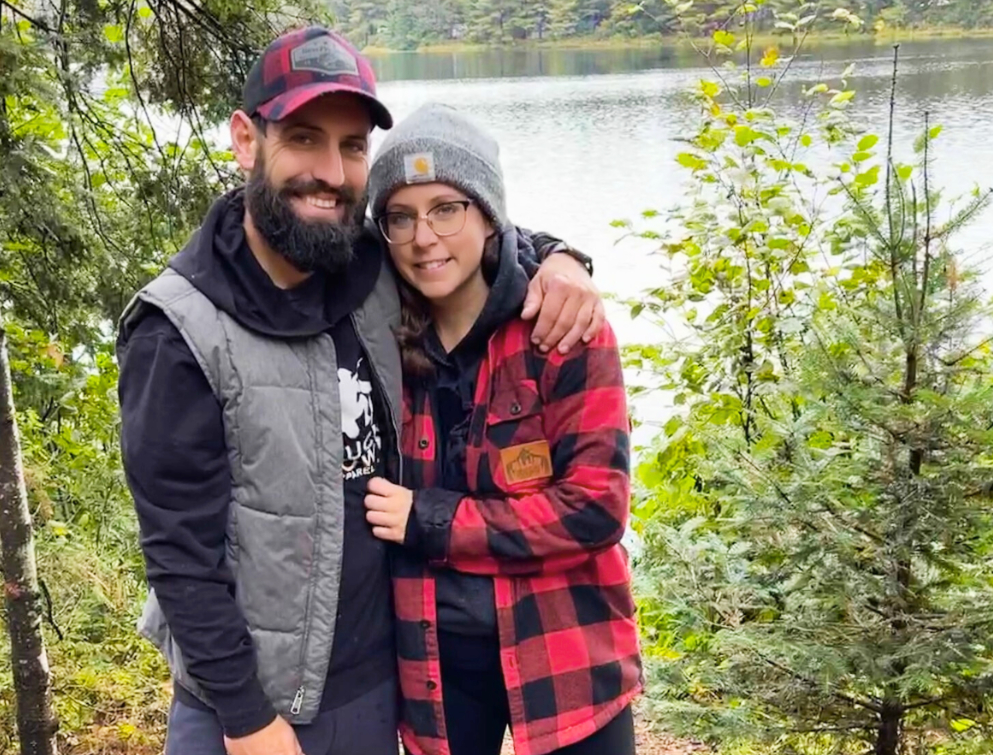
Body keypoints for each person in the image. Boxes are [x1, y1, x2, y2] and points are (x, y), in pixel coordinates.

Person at [115, 26, 606, 755]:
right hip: (247, 711)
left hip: (377, 688)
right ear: (247, 141)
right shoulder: (178, 330)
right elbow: (179, 554)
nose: (331, 172)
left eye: (350, 147)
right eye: (305, 139)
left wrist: (559, 259)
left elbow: (464, 237)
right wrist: (247, 718)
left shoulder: (368, 271)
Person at [361, 102, 641, 755]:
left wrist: (430, 520)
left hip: (566, 655)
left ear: (487, 214)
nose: (424, 237)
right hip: (435, 665)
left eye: (446, 208)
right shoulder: (372, 335)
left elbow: (595, 509)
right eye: (400, 216)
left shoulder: (561, 328)